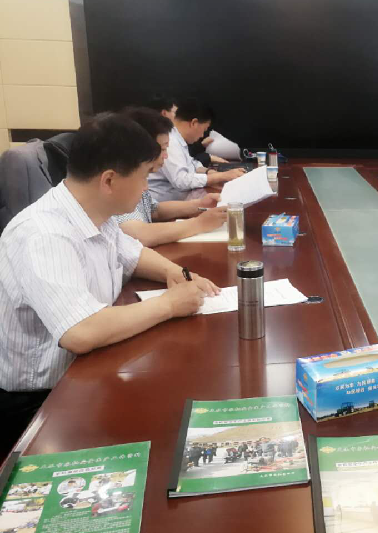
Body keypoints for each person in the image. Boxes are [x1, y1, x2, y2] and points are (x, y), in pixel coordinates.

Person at [0, 113, 219, 458]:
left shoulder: (95, 214)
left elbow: (133, 254)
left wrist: (175, 272)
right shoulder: (44, 234)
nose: (146, 188)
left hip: (85, 373)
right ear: (109, 180)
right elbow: (81, 331)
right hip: (43, 404)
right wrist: (169, 304)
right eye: (144, 176)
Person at [115, 107, 228, 247]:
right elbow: (140, 234)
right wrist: (199, 223)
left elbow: (154, 209)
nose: (166, 156)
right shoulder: (120, 180)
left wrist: (200, 205)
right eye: (163, 149)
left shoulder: (137, 174)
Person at [148, 98, 244, 201]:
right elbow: (181, 181)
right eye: (204, 129)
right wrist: (221, 176)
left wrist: (210, 172)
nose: (202, 135)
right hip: (161, 204)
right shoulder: (170, 141)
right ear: (194, 123)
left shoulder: (177, 138)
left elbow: (191, 163)